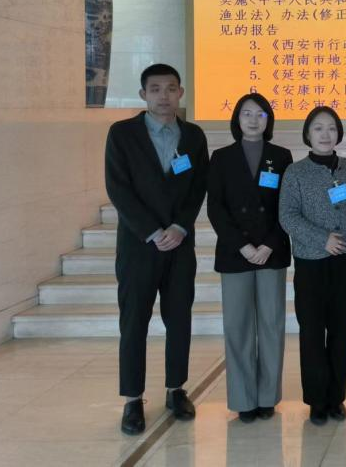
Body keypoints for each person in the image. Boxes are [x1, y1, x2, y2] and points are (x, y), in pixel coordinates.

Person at [105, 64, 208, 435]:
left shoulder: (193, 136)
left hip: (179, 244)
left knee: (179, 319)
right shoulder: (122, 134)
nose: (163, 96)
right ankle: (133, 399)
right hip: (138, 246)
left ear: (181, 93)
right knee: (134, 322)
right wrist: (152, 231)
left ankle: (176, 389)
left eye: (170, 88)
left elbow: (198, 186)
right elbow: (118, 188)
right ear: (143, 95)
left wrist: (179, 227)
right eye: (155, 89)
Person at [279, 106, 346, 425]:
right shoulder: (296, 172)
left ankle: (336, 398)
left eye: (331, 128)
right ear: (308, 134)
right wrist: (323, 239)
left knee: (340, 331)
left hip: (345, 262)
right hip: (311, 263)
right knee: (312, 332)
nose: (325, 134)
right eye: (318, 128)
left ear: (338, 133)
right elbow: (287, 216)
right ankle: (317, 401)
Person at [207, 93, 292, 423]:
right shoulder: (221, 157)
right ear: (237, 119)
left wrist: (268, 244)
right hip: (235, 252)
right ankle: (243, 399)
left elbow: (287, 205)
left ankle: (268, 396)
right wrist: (242, 245)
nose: (253, 119)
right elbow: (216, 208)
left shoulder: (281, 156)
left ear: (268, 120)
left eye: (260, 114)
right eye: (247, 113)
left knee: (271, 324)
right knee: (238, 326)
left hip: (272, 251)